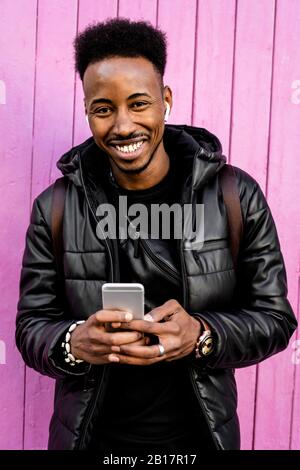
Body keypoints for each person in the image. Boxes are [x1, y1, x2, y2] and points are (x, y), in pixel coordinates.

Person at [16, 18, 297, 453]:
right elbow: (31, 326)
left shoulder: (235, 195)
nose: (123, 126)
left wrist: (201, 334)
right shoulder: (55, 207)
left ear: (165, 100)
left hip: (201, 439)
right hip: (91, 441)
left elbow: (276, 319)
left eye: (139, 103)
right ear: (88, 110)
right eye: (103, 109)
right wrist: (75, 342)